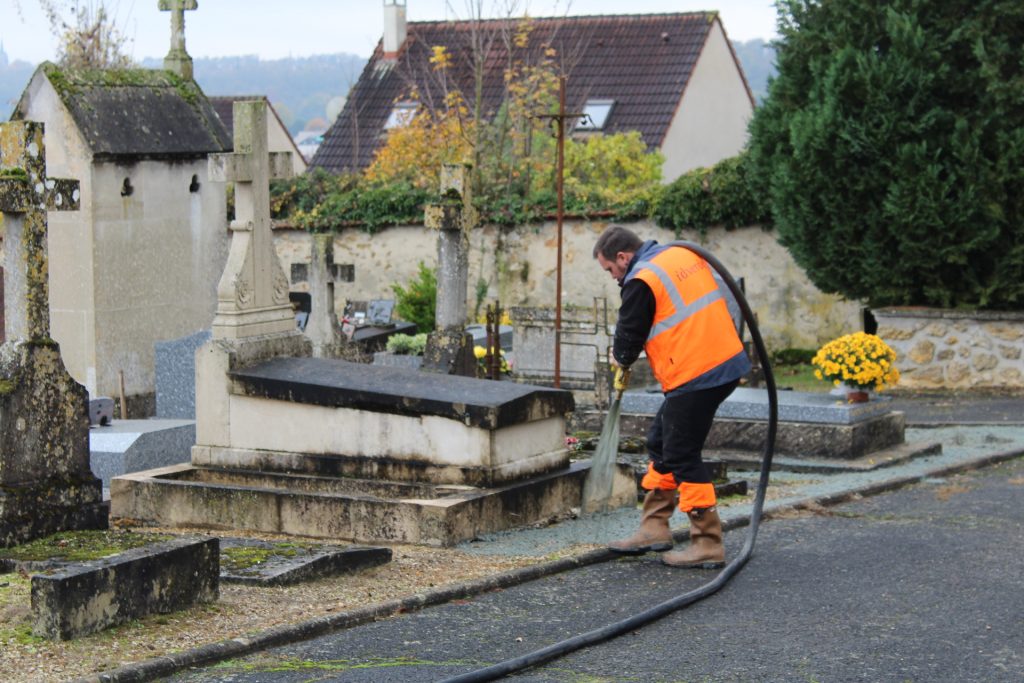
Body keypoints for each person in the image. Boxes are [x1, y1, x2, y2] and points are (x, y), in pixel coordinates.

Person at [593, 226, 750, 568]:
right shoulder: (682, 255)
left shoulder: (642, 279)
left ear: (623, 257)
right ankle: (654, 527)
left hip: (697, 373)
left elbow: (629, 335)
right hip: (722, 363)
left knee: (681, 453)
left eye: (610, 270)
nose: (613, 277)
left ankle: (707, 542)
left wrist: (619, 358)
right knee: (662, 440)